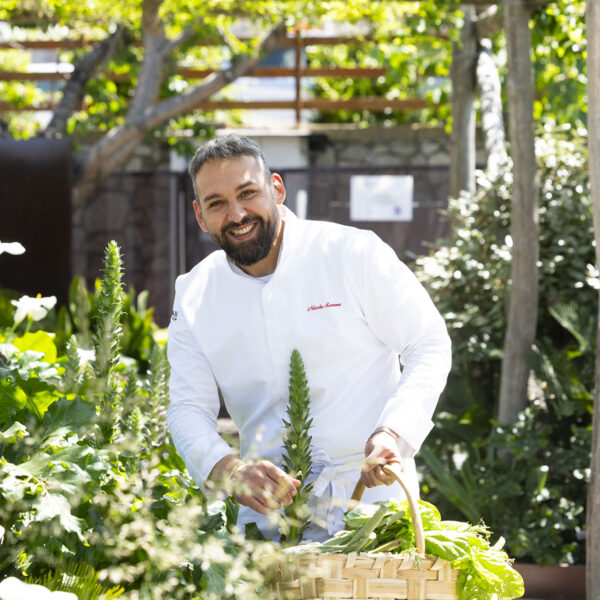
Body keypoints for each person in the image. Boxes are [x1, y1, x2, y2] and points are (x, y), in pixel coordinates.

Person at [166, 134, 451, 541]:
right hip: (267, 516)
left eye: (248, 193)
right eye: (217, 203)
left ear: (277, 189)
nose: (237, 213)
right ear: (199, 215)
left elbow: (428, 343)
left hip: (370, 507)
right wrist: (231, 471)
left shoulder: (351, 252)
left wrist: (395, 431)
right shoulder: (195, 292)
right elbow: (186, 408)